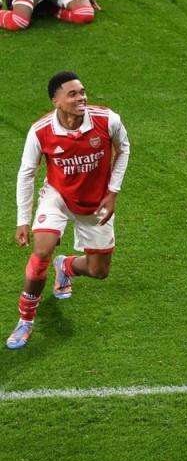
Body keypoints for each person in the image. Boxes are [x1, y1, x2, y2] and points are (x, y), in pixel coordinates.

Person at [9, 71, 131, 349]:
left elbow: (124, 148)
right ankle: (25, 320)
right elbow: (27, 174)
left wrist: (113, 192)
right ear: (56, 101)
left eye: (83, 92)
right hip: (58, 196)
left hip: (97, 201)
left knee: (99, 271)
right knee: (41, 251)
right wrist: (22, 220)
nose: (82, 98)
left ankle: (66, 266)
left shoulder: (107, 120)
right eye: (73, 94)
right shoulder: (40, 131)